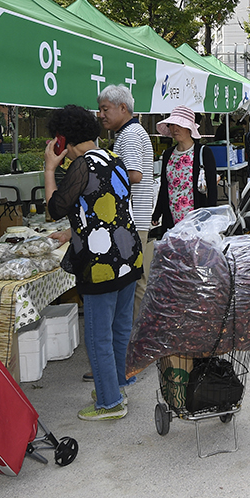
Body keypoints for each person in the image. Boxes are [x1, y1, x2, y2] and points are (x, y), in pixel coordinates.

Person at [45, 104, 142, 421]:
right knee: (119, 329)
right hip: (128, 257)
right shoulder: (113, 159)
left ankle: (110, 403)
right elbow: (105, 206)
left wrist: (49, 169)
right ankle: (116, 387)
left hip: (100, 264)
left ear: (63, 140)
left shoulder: (81, 165)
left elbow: (54, 207)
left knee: (98, 335)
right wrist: (73, 229)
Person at [98, 85, 156, 322]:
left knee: (136, 283)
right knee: (137, 281)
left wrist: (101, 176)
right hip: (137, 218)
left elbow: (134, 174)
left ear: (123, 108)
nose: (101, 115)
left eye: (105, 109)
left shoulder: (130, 134)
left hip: (133, 220)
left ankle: (136, 339)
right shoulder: (130, 132)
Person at [151, 106, 217, 240]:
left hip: (196, 220)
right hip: (172, 219)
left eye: (180, 125)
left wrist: (209, 216)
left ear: (189, 128)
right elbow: (165, 186)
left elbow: (212, 189)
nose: (175, 129)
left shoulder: (203, 152)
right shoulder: (168, 154)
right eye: (172, 125)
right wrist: (157, 213)